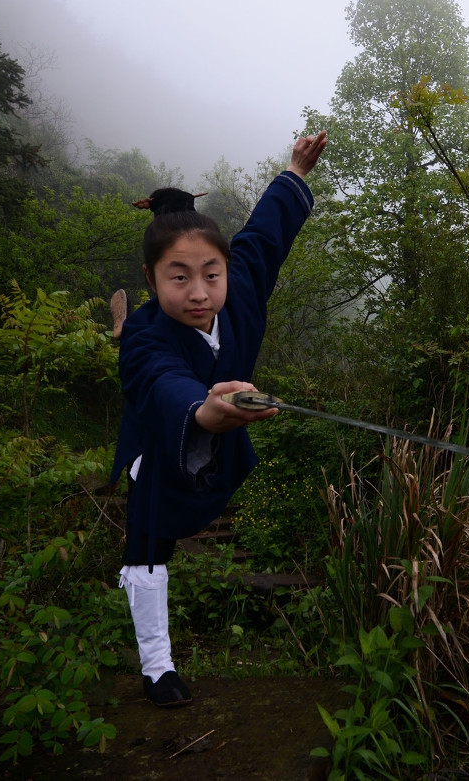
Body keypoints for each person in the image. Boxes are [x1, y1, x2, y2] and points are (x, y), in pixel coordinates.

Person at [110, 131, 327, 707]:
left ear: (227, 270)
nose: (200, 292)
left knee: (175, 524)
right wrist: (202, 409)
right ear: (153, 280)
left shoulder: (242, 289)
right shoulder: (144, 334)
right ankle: (158, 668)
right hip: (160, 440)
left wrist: (295, 174)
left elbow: (264, 235)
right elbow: (160, 381)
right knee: (149, 544)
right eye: (178, 277)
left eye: (212, 273)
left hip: (215, 444)